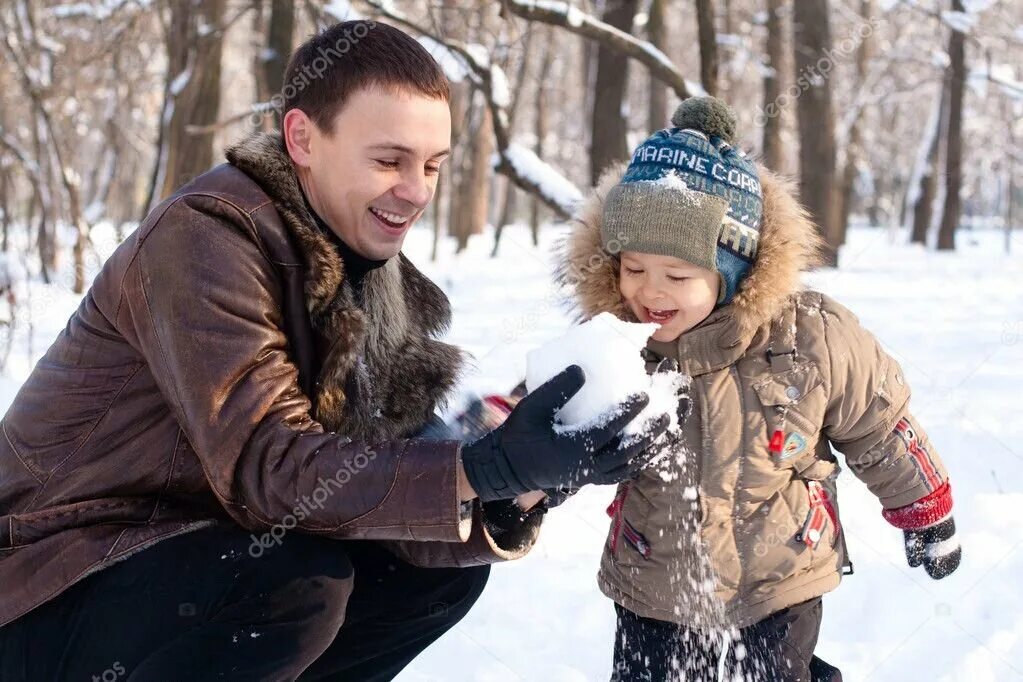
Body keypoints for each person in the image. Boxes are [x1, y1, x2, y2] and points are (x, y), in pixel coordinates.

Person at [0, 21, 669, 680]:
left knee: (429, 576)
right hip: (49, 580)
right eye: (388, 160)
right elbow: (270, 466)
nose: (416, 191)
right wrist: (482, 466)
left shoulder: (364, 273)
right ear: (302, 139)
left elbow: (362, 487)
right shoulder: (204, 240)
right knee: (292, 585)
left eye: (432, 165)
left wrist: (517, 483)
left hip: (189, 559)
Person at [556, 96, 962, 681]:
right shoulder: (615, 344)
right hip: (654, 576)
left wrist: (926, 510)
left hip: (780, 577)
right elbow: (550, 421)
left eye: (678, 275)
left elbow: (880, 425)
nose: (650, 291)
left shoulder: (810, 339)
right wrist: (515, 489)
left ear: (733, 271)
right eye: (634, 267)